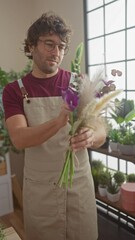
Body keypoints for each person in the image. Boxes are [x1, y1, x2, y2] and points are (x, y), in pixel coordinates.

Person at [2, 12, 106, 240]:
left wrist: (91, 135)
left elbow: (101, 131)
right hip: (41, 190)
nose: (56, 52)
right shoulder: (15, 90)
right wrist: (59, 121)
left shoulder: (78, 83)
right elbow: (19, 138)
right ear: (31, 46)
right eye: (49, 44)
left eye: (61, 46)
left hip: (78, 186)